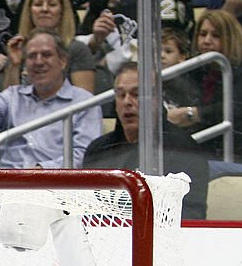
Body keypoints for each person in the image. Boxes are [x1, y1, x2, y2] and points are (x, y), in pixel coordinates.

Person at [84, 62, 209, 219]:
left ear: (156, 100)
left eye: (136, 94)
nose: (127, 102)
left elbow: (191, 217)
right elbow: (87, 213)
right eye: (121, 95)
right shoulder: (98, 150)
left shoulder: (185, 151)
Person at [0, 27, 102, 168]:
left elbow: (85, 155)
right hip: (7, 184)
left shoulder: (85, 102)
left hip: (55, 185)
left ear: (62, 61)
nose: (38, 62)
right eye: (32, 56)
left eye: (46, 54)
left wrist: (41, 170)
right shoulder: (12, 96)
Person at [181, 9, 242, 162]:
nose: (207, 40)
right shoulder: (196, 70)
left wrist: (193, 114)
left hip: (236, 153)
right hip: (203, 151)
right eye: (203, 34)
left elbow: (239, 110)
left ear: (231, 39)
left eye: (215, 35)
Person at [2, 0, 95, 93]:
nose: (44, 9)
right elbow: (8, 101)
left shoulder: (77, 49)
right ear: (30, 12)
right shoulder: (17, 48)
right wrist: (14, 65)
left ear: (62, 12)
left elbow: (85, 102)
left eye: (52, 4)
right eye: (38, 4)